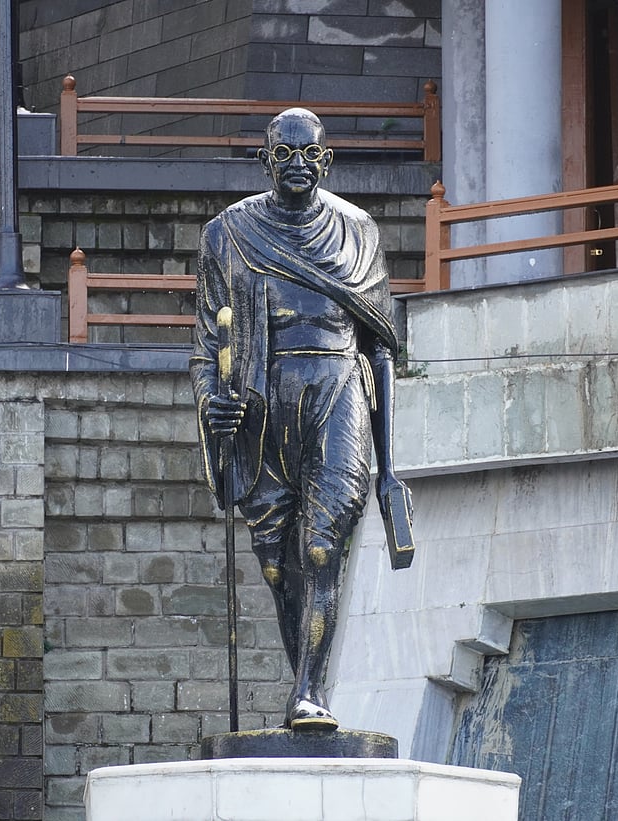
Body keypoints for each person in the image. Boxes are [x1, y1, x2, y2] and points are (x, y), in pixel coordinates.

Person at [190, 107, 411, 731]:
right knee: (275, 564)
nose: (297, 164)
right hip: (262, 403)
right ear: (266, 160)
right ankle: (303, 688)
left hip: (337, 391)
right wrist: (213, 403)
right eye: (284, 153)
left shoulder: (358, 232)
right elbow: (207, 346)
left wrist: (389, 467)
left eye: (309, 153)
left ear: (327, 160)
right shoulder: (227, 234)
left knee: (321, 546)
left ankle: (310, 693)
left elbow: (381, 349)